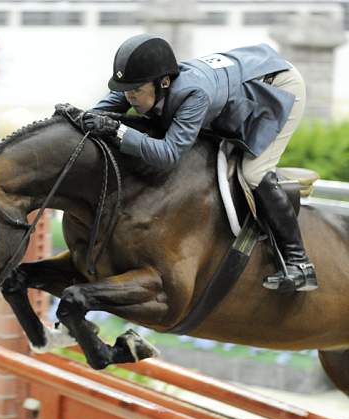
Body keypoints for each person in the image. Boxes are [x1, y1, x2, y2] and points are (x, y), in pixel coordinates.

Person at [82, 34, 318, 293]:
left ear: (162, 82)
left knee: (253, 172)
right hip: (241, 81)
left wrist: (118, 131)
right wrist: (76, 117)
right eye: (125, 90)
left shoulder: (194, 93)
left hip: (280, 87)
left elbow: (169, 154)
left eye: (135, 90)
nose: (129, 97)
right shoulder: (143, 84)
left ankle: (299, 264)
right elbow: (100, 113)